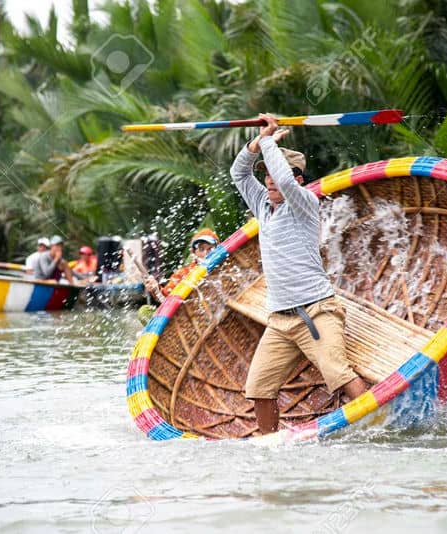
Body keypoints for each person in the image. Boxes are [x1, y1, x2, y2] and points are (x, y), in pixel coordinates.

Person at [230, 113, 368, 434]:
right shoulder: (263, 206)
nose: (270, 182)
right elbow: (239, 173)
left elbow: (286, 181)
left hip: (318, 311)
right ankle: (271, 446)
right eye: (267, 177)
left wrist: (268, 141)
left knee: (338, 372)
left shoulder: (303, 202)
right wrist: (257, 143)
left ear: (299, 179)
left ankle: (376, 427)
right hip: (281, 319)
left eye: (276, 176)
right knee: (259, 387)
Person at [143, 229, 220, 301]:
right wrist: (156, 289)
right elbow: (166, 298)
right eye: (201, 249)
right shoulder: (183, 274)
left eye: (210, 249)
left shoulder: (225, 267)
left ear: (218, 250)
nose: (206, 253)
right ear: (194, 253)